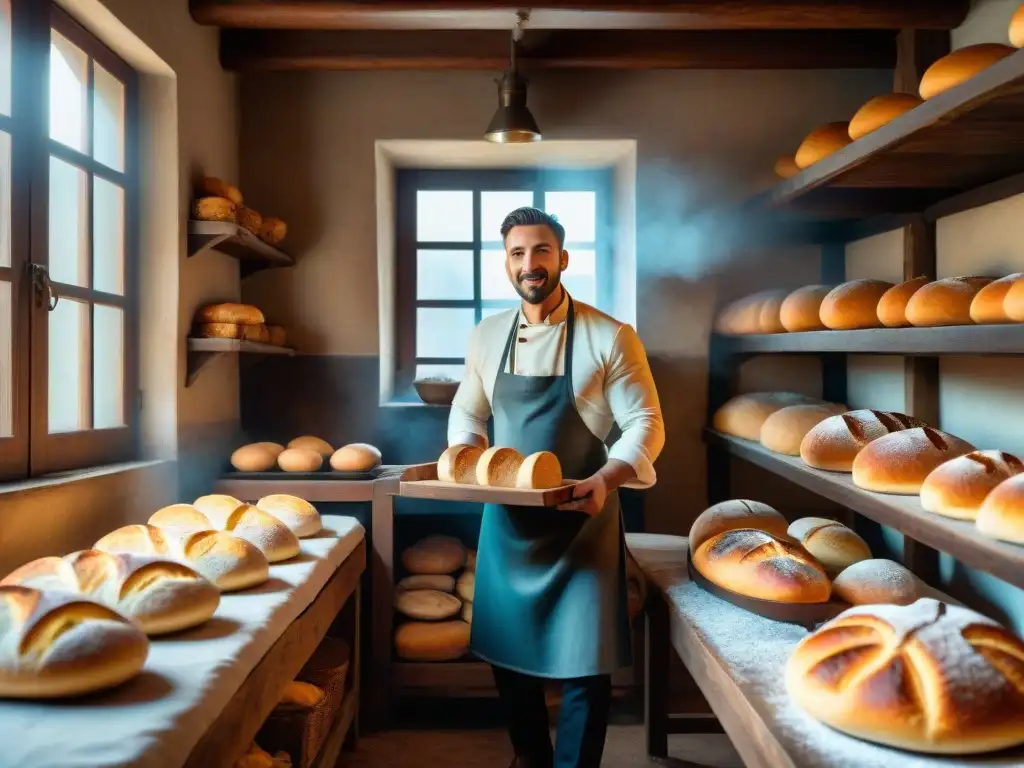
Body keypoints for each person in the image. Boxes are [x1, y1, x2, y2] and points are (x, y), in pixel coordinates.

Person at [448, 206, 665, 768]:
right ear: (506, 263)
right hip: (508, 522)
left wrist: (605, 480)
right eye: (518, 253)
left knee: (585, 667)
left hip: (582, 520)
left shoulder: (609, 336)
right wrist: (465, 458)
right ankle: (531, 759)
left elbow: (646, 423)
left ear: (563, 258)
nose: (530, 264)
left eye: (541, 251)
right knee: (507, 657)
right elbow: (467, 413)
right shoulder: (486, 335)